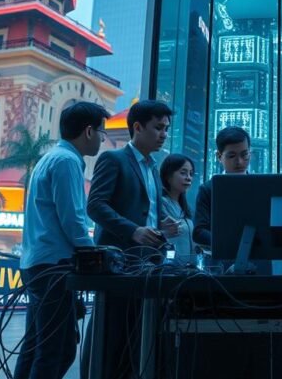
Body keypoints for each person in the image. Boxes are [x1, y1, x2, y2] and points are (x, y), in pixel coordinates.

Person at [14, 101, 109, 379]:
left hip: (38, 265)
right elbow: (73, 220)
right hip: (53, 268)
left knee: (35, 346)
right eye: (102, 133)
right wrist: (96, 254)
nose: (103, 139)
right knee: (58, 349)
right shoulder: (67, 162)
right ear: (89, 132)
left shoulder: (50, 157)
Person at [84, 100, 177, 378]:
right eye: (158, 128)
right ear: (137, 127)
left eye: (166, 129)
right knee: (110, 336)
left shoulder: (152, 167)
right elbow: (95, 205)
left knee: (139, 338)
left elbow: (146, 212)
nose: (163, 134)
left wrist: (161, 225)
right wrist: (133, 230)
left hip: (148, 264)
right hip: (119, 263)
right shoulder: (114, 159)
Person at [193, 126, 251, 248]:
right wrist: (227, 243)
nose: (239, 162)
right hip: (221, 258)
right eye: (232, 156)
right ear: (219, 157)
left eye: (244, 155)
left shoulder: (260, 187)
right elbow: (199, 231)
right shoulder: (208, 189)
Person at [159, 154, 196, 265]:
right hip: (169, 270)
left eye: (191, 173)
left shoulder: (184, 207)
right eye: (183, 173)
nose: (188, 177)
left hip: (188, 270)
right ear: (168, 176)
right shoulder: (161, 204)